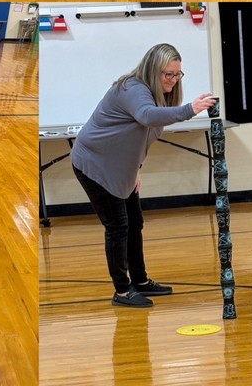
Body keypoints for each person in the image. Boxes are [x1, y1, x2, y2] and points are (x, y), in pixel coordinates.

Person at [70, 43, 215, 308]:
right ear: (152, 69)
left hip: (120, 168)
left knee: (134, 222)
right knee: (118, 227)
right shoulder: (132, 88)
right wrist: (189, 110)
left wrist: (136, 170)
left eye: (177, 74)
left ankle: (140, 281)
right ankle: (122, 292)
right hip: (93, 163)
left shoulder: (159, 95)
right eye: (167, 74)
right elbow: (147, 117)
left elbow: (143, 138)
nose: (172, 80)